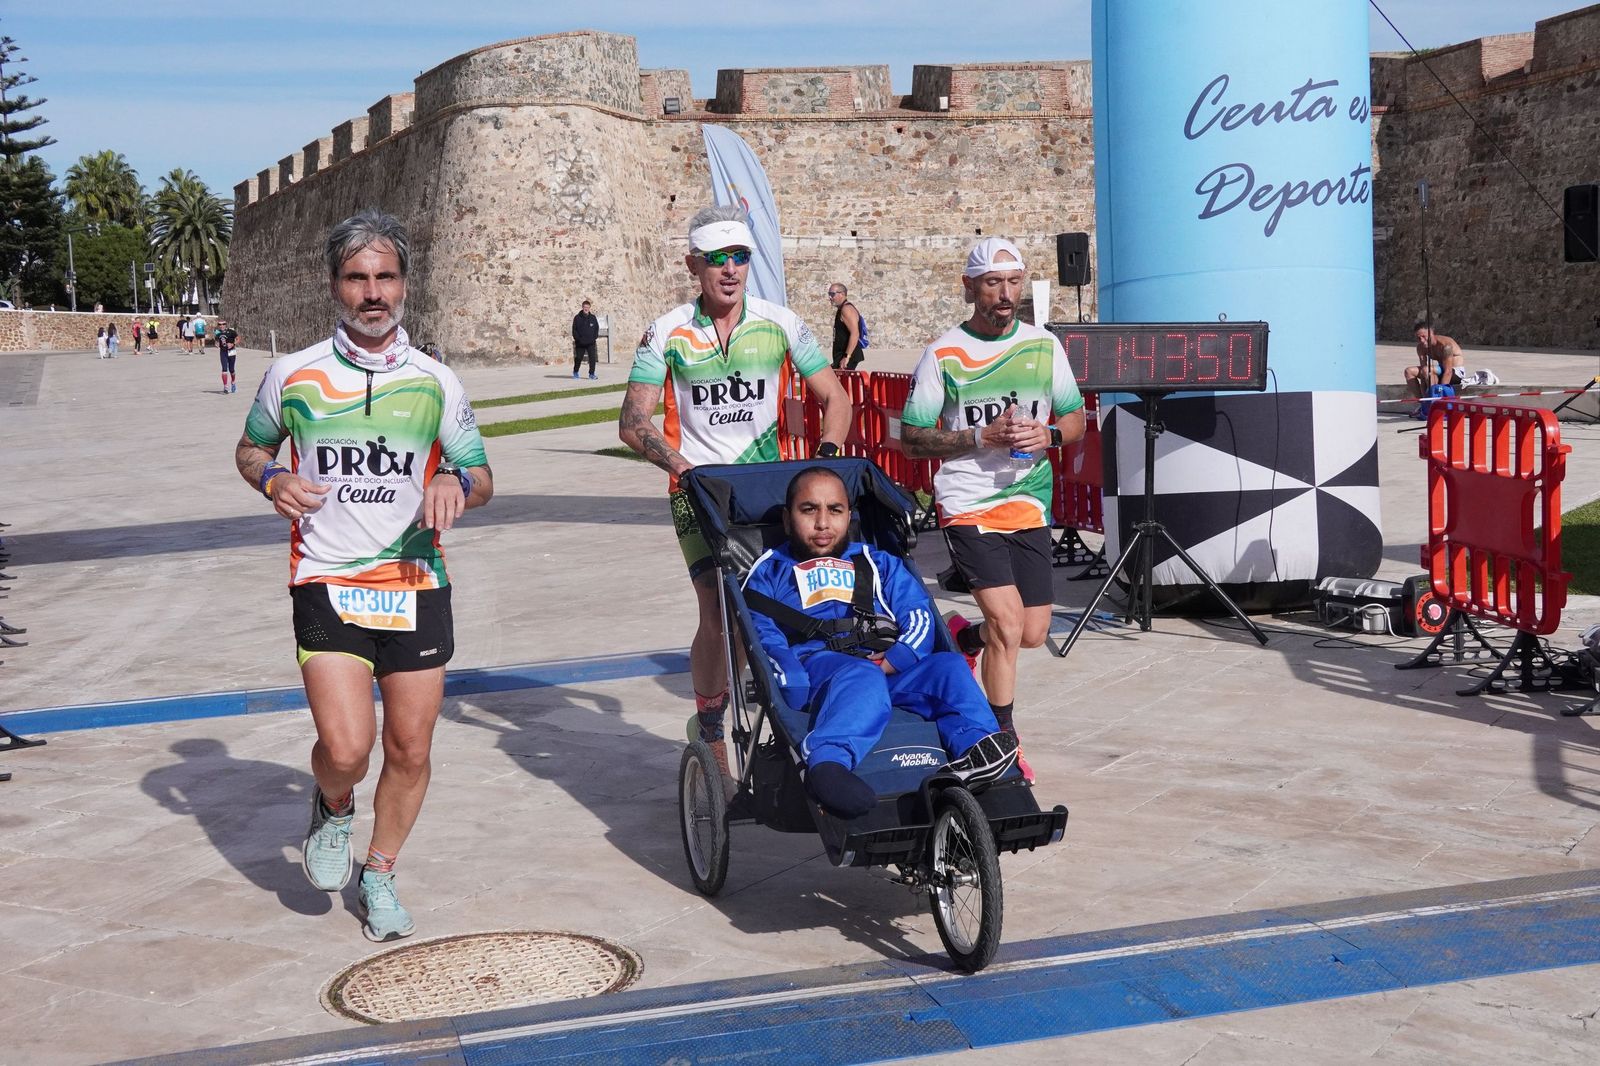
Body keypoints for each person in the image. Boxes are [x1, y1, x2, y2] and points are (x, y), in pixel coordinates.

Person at [233, 208, 493, 942]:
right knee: (347, 749)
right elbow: (250, 449)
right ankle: (335, 803)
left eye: (385, 276)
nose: (373, 292)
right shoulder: (293, 373)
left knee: (410, 749)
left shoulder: (437, 382)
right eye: (357, 278)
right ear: (334, 285)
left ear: (405, 283)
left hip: (415, 580)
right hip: (327, 577)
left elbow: (481, 475)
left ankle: (379, 873)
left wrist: (455, 483)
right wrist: (273, 479)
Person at [619, 203, 852, 777]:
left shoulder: (780, 323)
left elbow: (835, 398)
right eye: (717, 258)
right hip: (696, 490)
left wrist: (824, 458)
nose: (730, 269)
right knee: (716, 610)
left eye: (740, 257)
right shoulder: (667, 331)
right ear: (693, 265)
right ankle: (709, 726)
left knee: (763, 612)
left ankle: (772, 711)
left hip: (766, 488)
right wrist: (683, 468)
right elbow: (632, 421)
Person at [901, 237, 1086, 785]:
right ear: (969, 287)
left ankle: (964, 638)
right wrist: (980, 436)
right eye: (992, 283)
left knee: (1031, 631)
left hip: (1028, 499)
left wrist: (1048, 434)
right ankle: (1002, 744)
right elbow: (911, 439)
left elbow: (1075, 419)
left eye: (1012, 282)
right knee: (1007, 625)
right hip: (968, 501)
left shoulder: (1043, 346)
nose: (1005, 294)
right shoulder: (944, 354)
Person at [744, 467, 1019, 817]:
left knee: (949, 667)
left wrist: (898, 657)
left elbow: (917, 612)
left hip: (887, 664)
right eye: (808, 510)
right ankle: (827, 764)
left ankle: (976, 749)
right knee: (862, 675)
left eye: (835, 510)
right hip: (821, 668)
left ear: (849, 516)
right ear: (787, 519)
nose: (823, 523)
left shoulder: (878, 563)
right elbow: (763, 634)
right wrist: (790, 678)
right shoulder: (771, 570)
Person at [1405, 318, 1464, 399]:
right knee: (1409, 371)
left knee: (1427, 370)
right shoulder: (1420, 348)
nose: (1421, 340)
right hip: (1439, 370)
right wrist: (1423, 394)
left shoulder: (1445, 345)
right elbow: (1423, 372)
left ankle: (1435, 399)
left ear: (1431, 333)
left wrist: (1440, 392)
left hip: (1455, 372)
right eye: (1419, 338)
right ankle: (1422, 402)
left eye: (1424, 336)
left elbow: (1448, 371)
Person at [827, 283, 864, 371]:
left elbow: (855, 333)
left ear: (842, 294)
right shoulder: (842, 309)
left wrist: (847, 357)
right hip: (841, 356)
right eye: (829, 294)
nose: (830, 297)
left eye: (832, 294)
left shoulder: (846, 309)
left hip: (847, 356)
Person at [571, 299, 600, 379]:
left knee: (592, 359)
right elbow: (574, 330)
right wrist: (578, 339)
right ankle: (575, 372)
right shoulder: (577, 318)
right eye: (585, 307)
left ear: (589, 308)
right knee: (578, 358)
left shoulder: (593, 318)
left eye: (587, 307)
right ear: (582, 307)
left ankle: (591, 374)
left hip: (591, 343)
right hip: (580, 343)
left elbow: (596, 328)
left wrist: (594, 338)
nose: (586, 309)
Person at [215, 318, 240, 393]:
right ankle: (225, 386)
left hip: (231, 352)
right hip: (223, 352)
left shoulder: (231, 331)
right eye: (220, 324)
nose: (221, 326)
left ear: (226, 325)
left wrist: (233, 344)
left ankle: (233, 382)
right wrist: (217, 344)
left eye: (223, 324)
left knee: (232, 370)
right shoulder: (218, 333)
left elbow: (238, 339)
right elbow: (217, 342)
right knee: (224, 369)